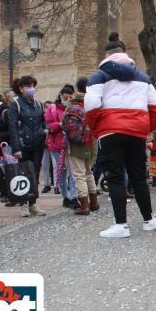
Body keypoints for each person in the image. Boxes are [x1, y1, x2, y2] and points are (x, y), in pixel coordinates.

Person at [85, 32, 156, 238]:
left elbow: (92, 105)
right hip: (137, 131)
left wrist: (97, 129)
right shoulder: (142, 77)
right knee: (139, 176)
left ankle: (121, 224)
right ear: (125, 55)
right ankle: (149, 220)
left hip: (110, 131)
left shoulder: (98, 76)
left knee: (115, 177)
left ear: (106, 56)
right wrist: (147, 127)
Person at [8, 75, 48, 216]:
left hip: (38, 142)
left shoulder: (38, 103)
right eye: (27, 86)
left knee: (35, 173)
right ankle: (23, 204)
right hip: (23, 144)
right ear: (21, 88)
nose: (31, 89)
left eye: (32, 86)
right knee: (24, 173)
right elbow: (12, 126)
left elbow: (43, 120)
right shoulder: (15, 104)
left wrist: (45, 130)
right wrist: (16, 148)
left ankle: (33, 203)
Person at [62, 77, 99, 215]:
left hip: (76, 144)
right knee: (89, 173)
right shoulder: (95, 103)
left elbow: (64, 124)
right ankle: (94, 203)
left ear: (77, 88)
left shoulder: (72, 105)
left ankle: (84, 206)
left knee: (79, 175)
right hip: (92, 142)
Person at [46, 85, 79, 209]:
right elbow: (48, 125)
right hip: (57, 145)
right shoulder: (52, 108)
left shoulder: (74, 108)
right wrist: (59, 125)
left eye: (70, 97)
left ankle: (74, 197)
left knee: (72, 171)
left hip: (71, 144)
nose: (68, 99)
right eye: (66, 97)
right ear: (60, 96)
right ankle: (65, 197)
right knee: (61, 172)